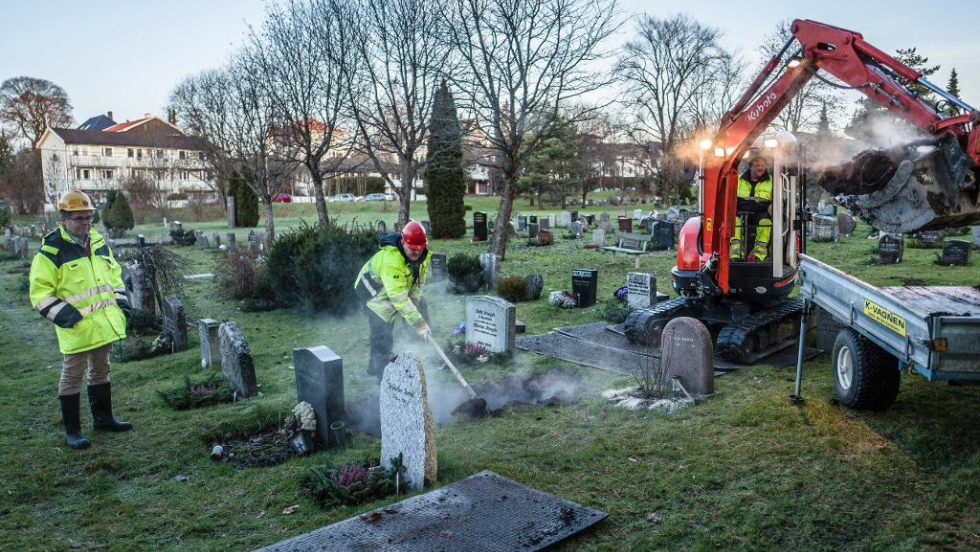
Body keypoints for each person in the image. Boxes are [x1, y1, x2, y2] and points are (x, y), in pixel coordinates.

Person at [29, 190, 133, 450]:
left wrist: (122, 304)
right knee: (72, 375)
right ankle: (72, 431)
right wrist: (64, 315)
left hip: (103, 323)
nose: (85, 223)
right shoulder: (52, 248)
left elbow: (115, 277)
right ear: (63, 219)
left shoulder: (98, 242)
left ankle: (104, 419)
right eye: (79, 219)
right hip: (75, 326)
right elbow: (39, 292)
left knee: (101, 370)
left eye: (88, 218)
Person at [354, 220, 431, 380]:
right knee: (382, 331)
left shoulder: (423, 257)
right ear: (403, 242)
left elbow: (418, 284)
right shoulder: (391, 260)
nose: (417, 253)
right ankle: (381, 375)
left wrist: (414, 305)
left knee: (388, 326)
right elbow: (398, 298)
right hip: (372, 291)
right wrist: (419, 323)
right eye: (412, 249)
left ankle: (373, 365)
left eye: (420, 248)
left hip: (389, 289)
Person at [731, 155, 773, 261]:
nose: (760, 168)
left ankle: (758, 255)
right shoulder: (738, 179)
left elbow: (778, 198)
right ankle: (736, 255)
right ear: (750, 167)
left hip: (761, 211)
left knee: (765, 223)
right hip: (741, 210)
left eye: (763, 165)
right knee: (734, 222)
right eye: (757, 165)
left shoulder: (772, 181)